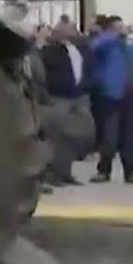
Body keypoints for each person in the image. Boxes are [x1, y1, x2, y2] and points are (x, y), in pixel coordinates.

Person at [35, 24, 95, 185]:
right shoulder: (47, 52)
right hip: (57, 99)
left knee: (75, 138)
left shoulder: (80, 49)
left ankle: (65, 172)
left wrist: (87, 86)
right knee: (56, 138)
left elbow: (88, 68)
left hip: (80, 98)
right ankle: (53, 174)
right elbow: (41, 76)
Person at [89, 16, 133, 185]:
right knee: (110, 137)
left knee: (129, 137)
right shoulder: (104, 45)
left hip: (132, 97)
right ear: (110, 29)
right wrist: (113, 37)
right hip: (111, 97)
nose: (124, 30)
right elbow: (97, 47)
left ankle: (131, 172)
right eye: (119, 27)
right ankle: (103, 170)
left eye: (124, 27)